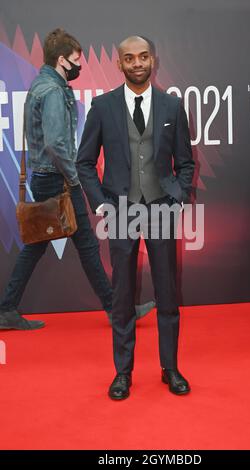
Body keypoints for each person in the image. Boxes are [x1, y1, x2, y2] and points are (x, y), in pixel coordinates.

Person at [0, 29, 154, 331]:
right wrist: (74, 180)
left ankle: (8, 308)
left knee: (53, 245)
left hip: (48, 178)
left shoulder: (41, 85)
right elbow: (57, 144)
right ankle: (116, 310)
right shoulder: (54, 91)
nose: (77, 67)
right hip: (58, 180)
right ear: (61, 60)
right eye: (74, 61)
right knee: (78, 246)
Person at [77, 36, 195, 399]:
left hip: (161, 208)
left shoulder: (172, 107)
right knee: (123, 296)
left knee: (167, 294)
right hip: (122, 210)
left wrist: (174, 199)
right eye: (130, 58)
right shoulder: (102, 106)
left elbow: (186, 164)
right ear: (120, 64)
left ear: (153, 60)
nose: (138, 63)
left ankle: (170, 368)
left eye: (143, 56)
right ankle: (122, 373)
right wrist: (101, 204)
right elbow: (84, 163)